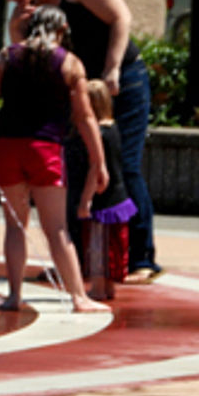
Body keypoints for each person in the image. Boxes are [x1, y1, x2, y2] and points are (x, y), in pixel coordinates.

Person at [0, 0, 158, 280]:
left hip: (121, 80)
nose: (12, 0)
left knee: (122, 164)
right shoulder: (29, 8)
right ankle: (77, 259)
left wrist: (112, 68)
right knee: (72, 167)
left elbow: (120, 17)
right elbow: (22, 54)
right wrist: (14, 29)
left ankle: (141, 259)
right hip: (79, 86)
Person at [0, 5, 108, 314]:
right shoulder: (70, 63)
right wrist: (99, 162)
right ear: (63, 28)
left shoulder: (5, 57)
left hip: (7, 147)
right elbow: (85, 117)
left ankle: (14, 296)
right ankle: (78, 298)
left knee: (15, 225)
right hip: (46, 149)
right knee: (57, 229)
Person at [66, 78, 135, 302]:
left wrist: (85, 201)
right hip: (119, 197)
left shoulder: (98, 135)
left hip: (102, 201)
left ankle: (97, 288)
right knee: (112, 246)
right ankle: (108, 287)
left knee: (97, 247)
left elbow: (94, 170)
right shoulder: (113, 129)